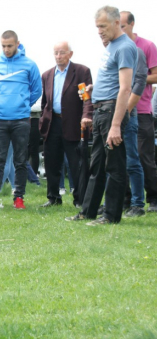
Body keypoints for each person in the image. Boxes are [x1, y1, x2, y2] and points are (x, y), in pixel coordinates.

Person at [66, 6, 137, 225]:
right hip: (100, 110)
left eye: (103, 26)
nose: (99, 31)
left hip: (111, 113)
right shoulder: (111, 46)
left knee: (114, 166)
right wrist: (92, 89)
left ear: (117, 23)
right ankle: (88, 211)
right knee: (96, 164)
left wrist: (116, 126)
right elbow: (111, 81)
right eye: (97, 27)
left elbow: (125, 88)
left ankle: (111, 216)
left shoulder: (125, 47)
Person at [0, 30, 41, 211]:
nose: (6, 49)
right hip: (0, 119)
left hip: (21, 120)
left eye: (9, 46)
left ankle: (19, 198)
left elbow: (37, 90)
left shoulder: (30, 65)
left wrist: (22, 104)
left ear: (17, 44)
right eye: (3, 46)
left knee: (20, 160)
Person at [39, 41, 93, 208]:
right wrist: (43, 119)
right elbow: (44, 102)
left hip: (73, 123)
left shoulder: (81, 71)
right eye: (56, 52)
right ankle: (53, 198)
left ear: (70, 54)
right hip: (52, 123)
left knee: (76, 163)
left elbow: (87, 99)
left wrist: (86, 117)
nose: (58, 56)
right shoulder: (47, 75)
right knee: (52, 162)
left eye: (62, 52)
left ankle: (79, 199)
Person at [120, 11, 157, 213]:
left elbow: (156, 76)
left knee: (144, 157)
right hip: (121, 110)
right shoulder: (116, 47)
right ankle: (127, 199)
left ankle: (153, 197)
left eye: (123, 26)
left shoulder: (147, 46)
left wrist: (135, 77)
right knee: (124, 158)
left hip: (141, 110)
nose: (120, 29)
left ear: (132, 24)